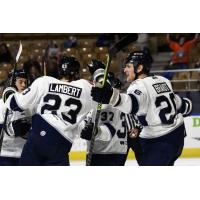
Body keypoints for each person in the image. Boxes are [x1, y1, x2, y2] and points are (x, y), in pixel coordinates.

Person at [91, 50, 193, 166]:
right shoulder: (163, 80)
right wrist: (187, 106)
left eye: (128, 66)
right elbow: (179, 104)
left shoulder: (138, 85)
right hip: (177, 135)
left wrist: (111, 97)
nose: (125, 70)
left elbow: (132, 104)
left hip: (159, 141)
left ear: (139, 68)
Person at [5, 56, 96, 166]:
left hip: (39, 136)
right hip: (63, 143)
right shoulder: (85, 88)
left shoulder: (45, 81)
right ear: (76, 72)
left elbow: (16, 104)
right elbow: (104, 98)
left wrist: (9, 92)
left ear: (59, 70)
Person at [0, 69, 32, 165]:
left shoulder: (30, 106)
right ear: (12, 83)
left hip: (24, 155)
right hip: (4, 156)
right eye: (20, 82)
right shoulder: (1, 104)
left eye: (25, 82)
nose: (23, 85)